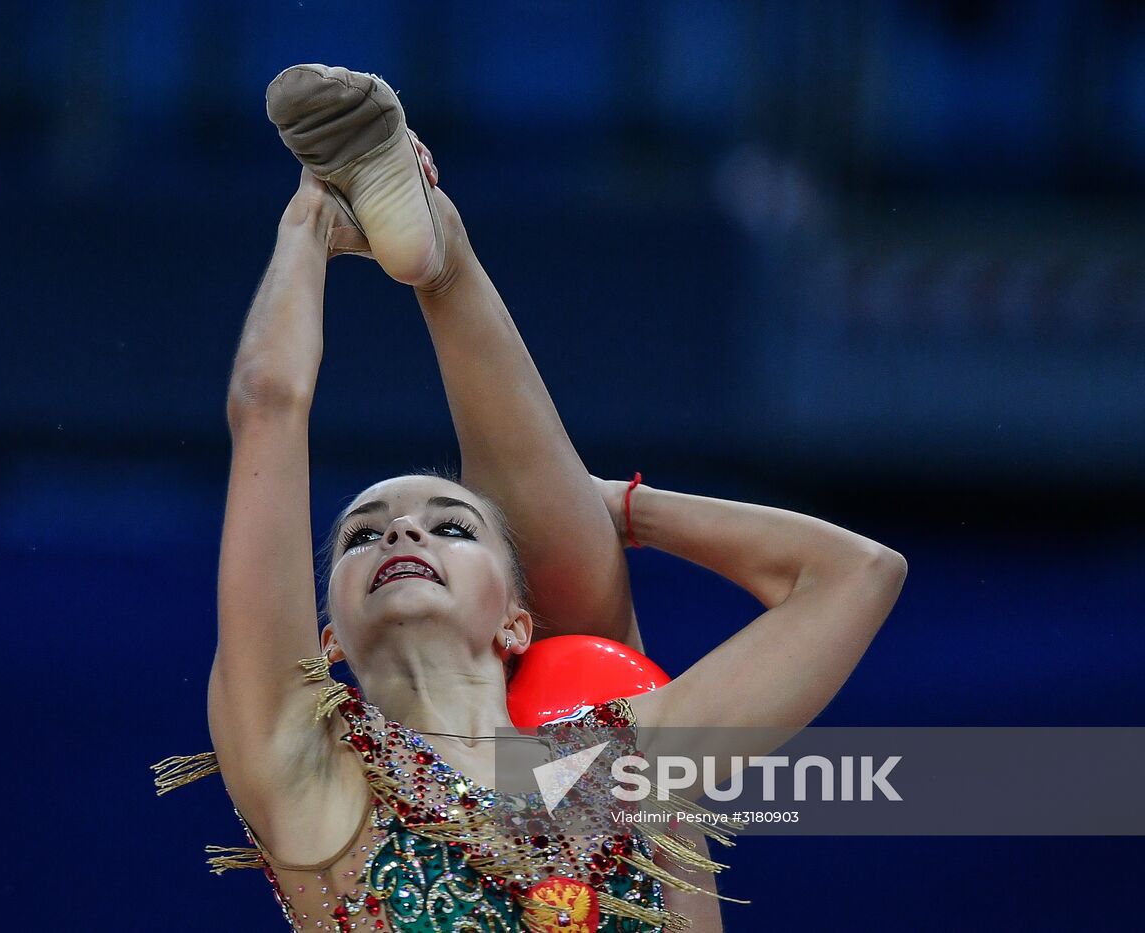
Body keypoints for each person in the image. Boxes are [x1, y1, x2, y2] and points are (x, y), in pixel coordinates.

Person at [153, 65, 908, 933]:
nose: (401, 527)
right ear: (327, 639)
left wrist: (625, 508)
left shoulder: (624, 764)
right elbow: (266, 408)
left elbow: (859, 572)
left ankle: (440, 250)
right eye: (362, 535)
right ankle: (434, 251)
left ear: (513, 620)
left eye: (449, 525)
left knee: (588, 652)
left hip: (569, 710)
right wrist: (310, 211)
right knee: (590, 643)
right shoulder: (308, 770)